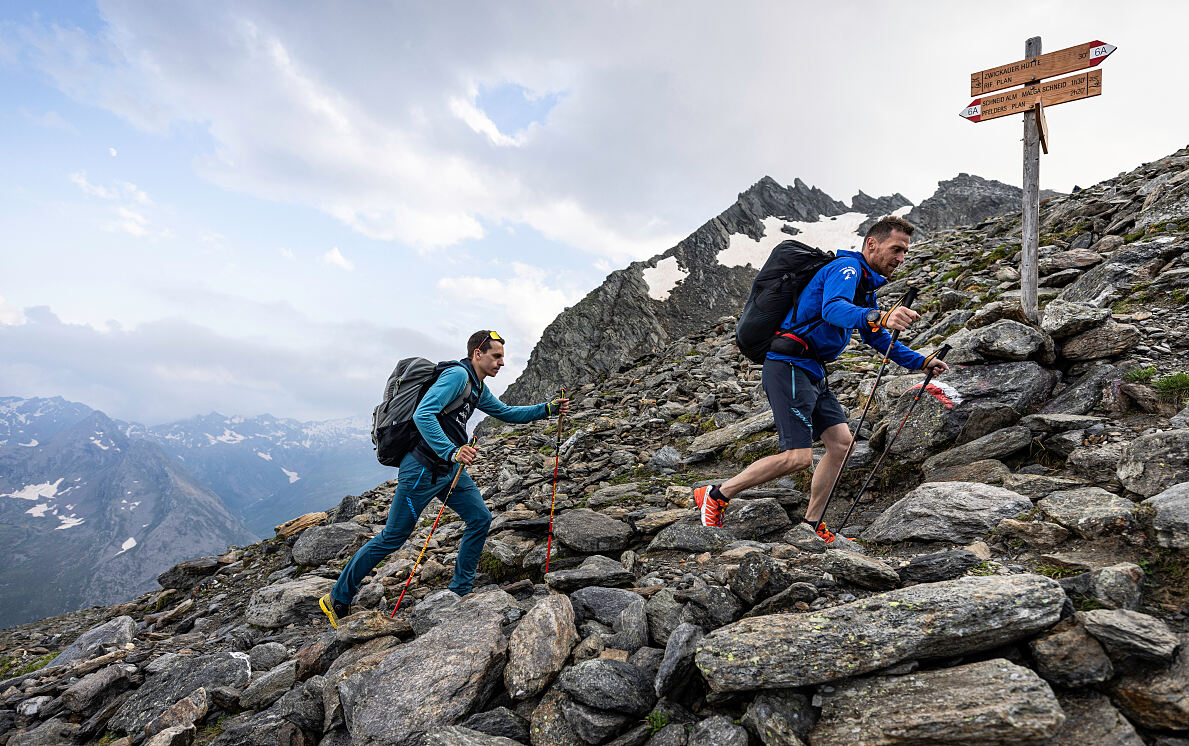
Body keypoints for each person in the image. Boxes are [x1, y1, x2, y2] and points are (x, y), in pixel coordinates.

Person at [693, 215, 948, 542]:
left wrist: (922, 361)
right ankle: (717, 494)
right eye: (896, 249)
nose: (901, 258)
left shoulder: (864, 286)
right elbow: (833, 310)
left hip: (812, 369)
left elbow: (877, 339)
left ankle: (811, 526)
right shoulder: (847, 270)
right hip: (789, 365)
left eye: (905, 253)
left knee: (842, 445)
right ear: (872, 244)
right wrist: (880, 316)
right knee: (797, 458)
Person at [320, 330, 568, 628]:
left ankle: (459, 591)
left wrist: (547, 410)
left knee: (479, 518)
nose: (502, 363)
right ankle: (337, 598)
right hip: (422, 469)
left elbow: (505, 412)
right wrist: (452, 451)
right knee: (393, 537)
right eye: (497, 356)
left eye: (502, 357)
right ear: (478, 353)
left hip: (448, 470)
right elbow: (425, 414)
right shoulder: (457, 377)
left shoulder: (476, 386)